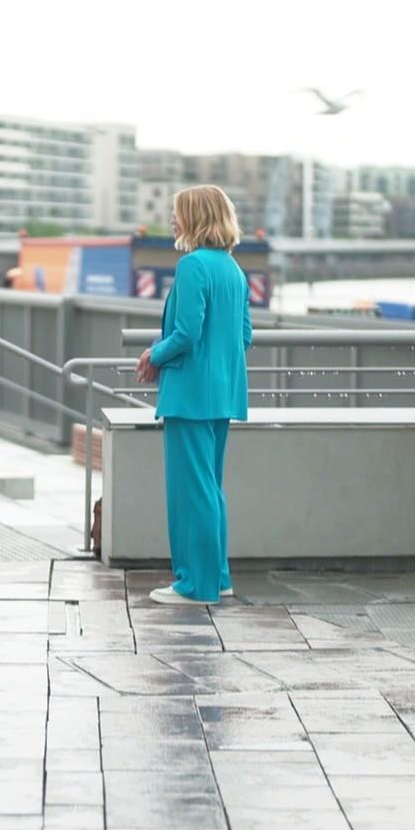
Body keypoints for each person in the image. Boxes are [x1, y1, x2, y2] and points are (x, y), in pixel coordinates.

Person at [135, 185, 252, 605]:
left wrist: (154, 353)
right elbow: (244, 335)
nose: (172, 220)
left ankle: (195, 585)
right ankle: (218, 577)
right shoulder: (233, 270)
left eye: (178, 212)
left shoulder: (192, 267)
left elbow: (185, 333)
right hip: (223, 394)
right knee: (210, 488)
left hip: (190, 393)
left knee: (192, 491)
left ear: (196, 217)